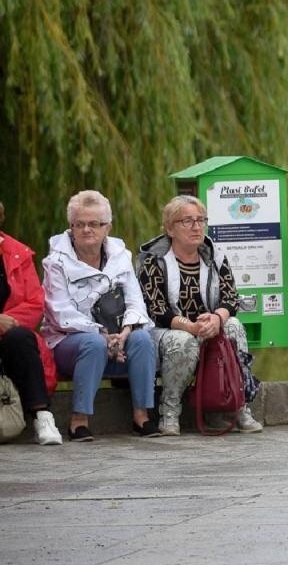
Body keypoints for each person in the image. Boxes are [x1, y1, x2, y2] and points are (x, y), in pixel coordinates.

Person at [137, 195, 264, 435]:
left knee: (234, 325)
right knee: (182, 341)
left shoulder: (215, 256)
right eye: (187, 221)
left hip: (209, 325)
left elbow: (231, 297)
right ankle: (170, 410)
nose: (196, 227)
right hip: (168, 330)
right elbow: (156, 309)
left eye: (200, 220)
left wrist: (217, 318)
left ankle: (239, 404)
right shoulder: (154, 260)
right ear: (169, 228)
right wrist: (190, 327)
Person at [42, 190, 160, 440]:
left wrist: (126, 331)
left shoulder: (121, 257)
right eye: (80, 224)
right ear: (71, 227)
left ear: (107, 227)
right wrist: (103, 335)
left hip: (118, 341)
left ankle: (142, 417)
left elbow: (135, 302)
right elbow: (60, 312)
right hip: (70, 343)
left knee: (141, 339)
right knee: (93, 343)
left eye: (94, 224)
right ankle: (78, 421)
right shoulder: (55, 262)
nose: (87, 230)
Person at [1, 200, 62, 445]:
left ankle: (42, 417)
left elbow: (36, 303)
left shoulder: (18, 254)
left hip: (9, 336)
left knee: (22, 339)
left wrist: (6, 324)